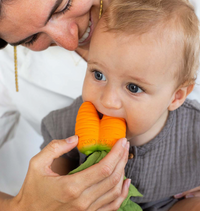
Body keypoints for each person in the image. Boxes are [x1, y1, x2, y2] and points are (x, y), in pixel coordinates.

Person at [41, 0, 200, 210]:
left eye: (133, 88)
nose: (107, 100)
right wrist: (59, 187)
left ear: (176, 96)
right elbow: (50, 187)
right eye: (99, 75)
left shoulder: (195, 129)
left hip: (169, 203)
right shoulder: (64, 127)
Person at [0, 0, 131, 210]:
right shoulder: (6, 68)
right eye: (31, 39)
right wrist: (19, 206)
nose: (69, 42)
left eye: (64, 6)